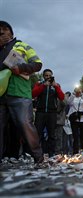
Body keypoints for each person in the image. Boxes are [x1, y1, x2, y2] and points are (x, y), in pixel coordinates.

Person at [0, 21, 43, 163]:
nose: (1, 33)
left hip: (19, 93)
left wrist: (21, 67)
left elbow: (37, 64)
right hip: (1, 95)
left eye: (4, 30)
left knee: (25, 124)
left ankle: (39, 158)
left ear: (10, 32)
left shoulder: (22, 45)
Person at [32, 69, 64, 157]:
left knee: (51, 134)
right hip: (40, 112)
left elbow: (61, 97)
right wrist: (43, 86)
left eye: (50, 76)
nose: (48, 77)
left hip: (52, 113)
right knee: (38, 134)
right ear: (43, 76)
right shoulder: (39, 84)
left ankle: (51, 154)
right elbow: (33, 94)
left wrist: (56, 86)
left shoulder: (56, 86)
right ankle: (37, 154)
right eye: (46, 75)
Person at [67, 87, 83, 154]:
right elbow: (68, 102)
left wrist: (82, 94)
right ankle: (75, 151)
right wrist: (73, 93)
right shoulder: (73, 98)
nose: (78, 92)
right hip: (74, 119)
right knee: (75, 136)